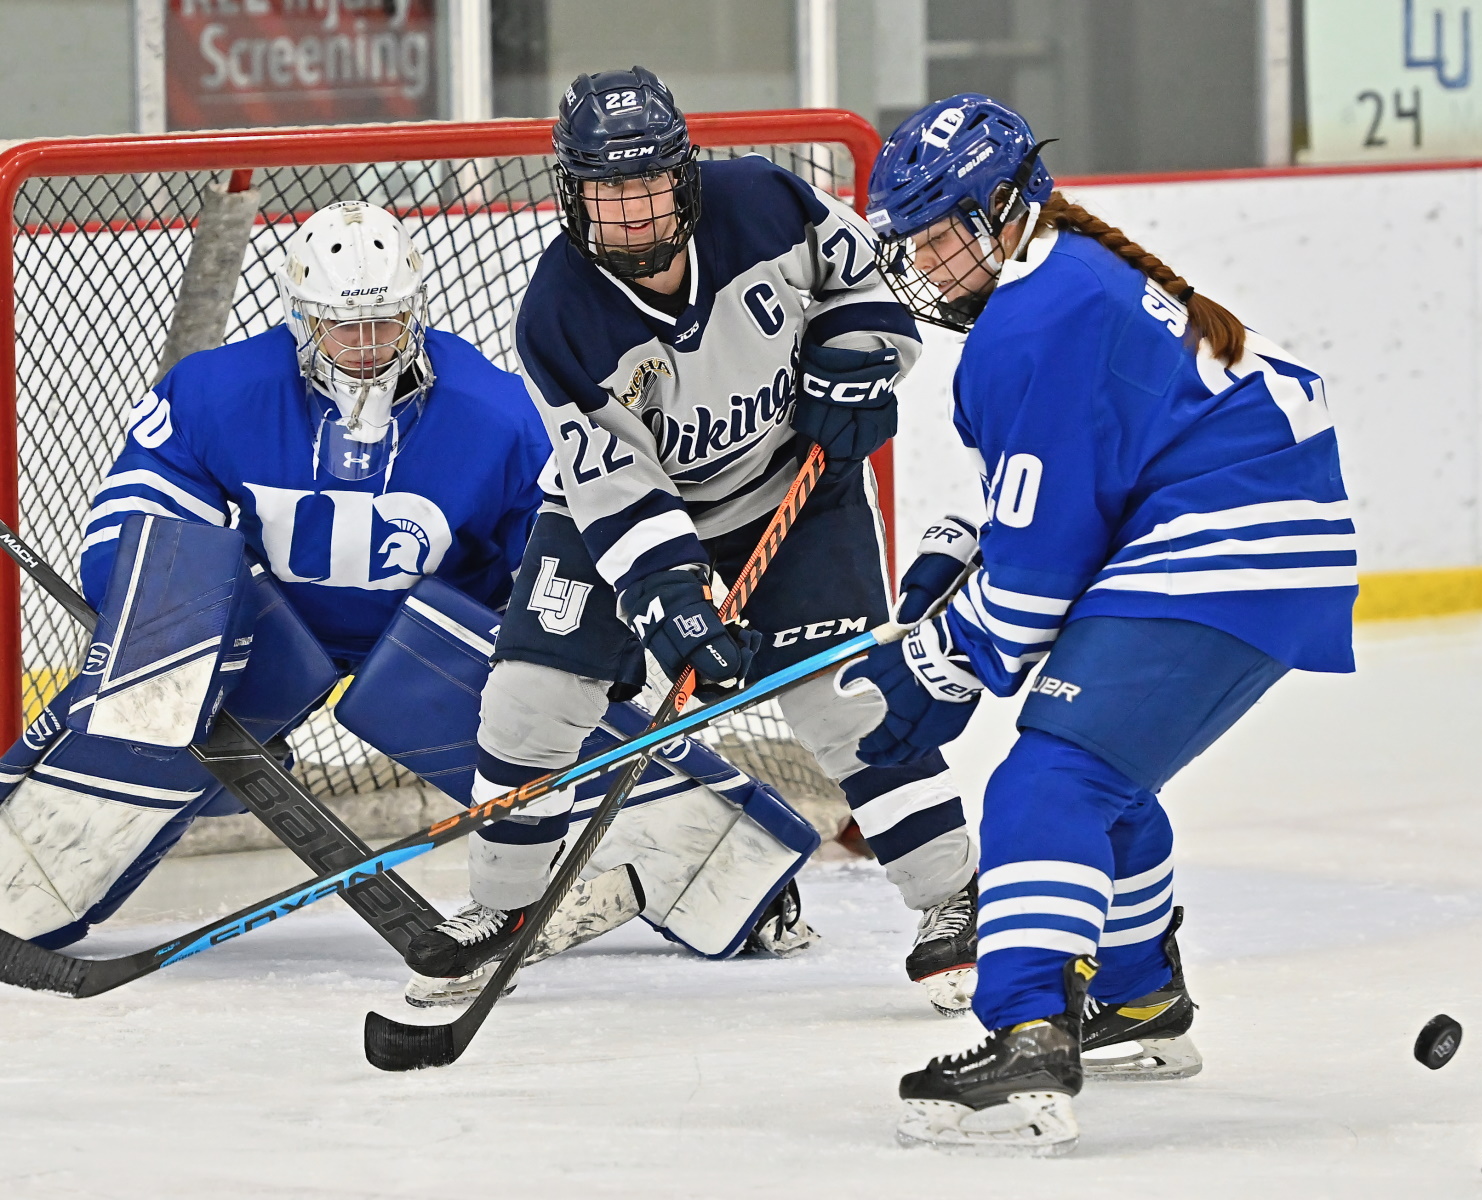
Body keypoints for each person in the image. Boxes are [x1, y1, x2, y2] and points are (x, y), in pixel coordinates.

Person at [404, 66, 982, 1014]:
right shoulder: (559, 311)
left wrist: (862, 360)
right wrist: (672, 600)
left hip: (792, 490)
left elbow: (869, 284)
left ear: (686, 179)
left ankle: (950, 895)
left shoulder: (765, 203)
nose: (631, 215)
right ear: (571, 194)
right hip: (620, 522)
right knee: (528, 700)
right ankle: (505, 910)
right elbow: (615, 485)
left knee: (847, 705)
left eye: (647, 188)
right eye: (606, 193)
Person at [841, 94, 1358, 1154]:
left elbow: (1032, 587)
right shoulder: (1061, 275)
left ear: (1002, 206)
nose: (928, 265)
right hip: (1260, 532)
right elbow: (1058, 494)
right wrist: (950, 556)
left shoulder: (1031, 320)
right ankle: (1136, 1002)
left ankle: (1028, 1039)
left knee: (1049, 778)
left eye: (942, 234)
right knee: (1106, 783)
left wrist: (935, 668)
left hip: (1231, 544)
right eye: (915, 243)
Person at [0, 201, 549, 947]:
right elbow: (139, 519)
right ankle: (19, 888)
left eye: (384, 322)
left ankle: (713, 874)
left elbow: (550, 551)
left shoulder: (498, 412)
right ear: (300, 317)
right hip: (269, 639)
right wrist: (151, 630)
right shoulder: (220, 392)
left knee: (550, 703)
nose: (365, 347)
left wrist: (558, 645)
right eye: (342, 325)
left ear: (414, 311)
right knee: (164, 631)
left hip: (435, 641)